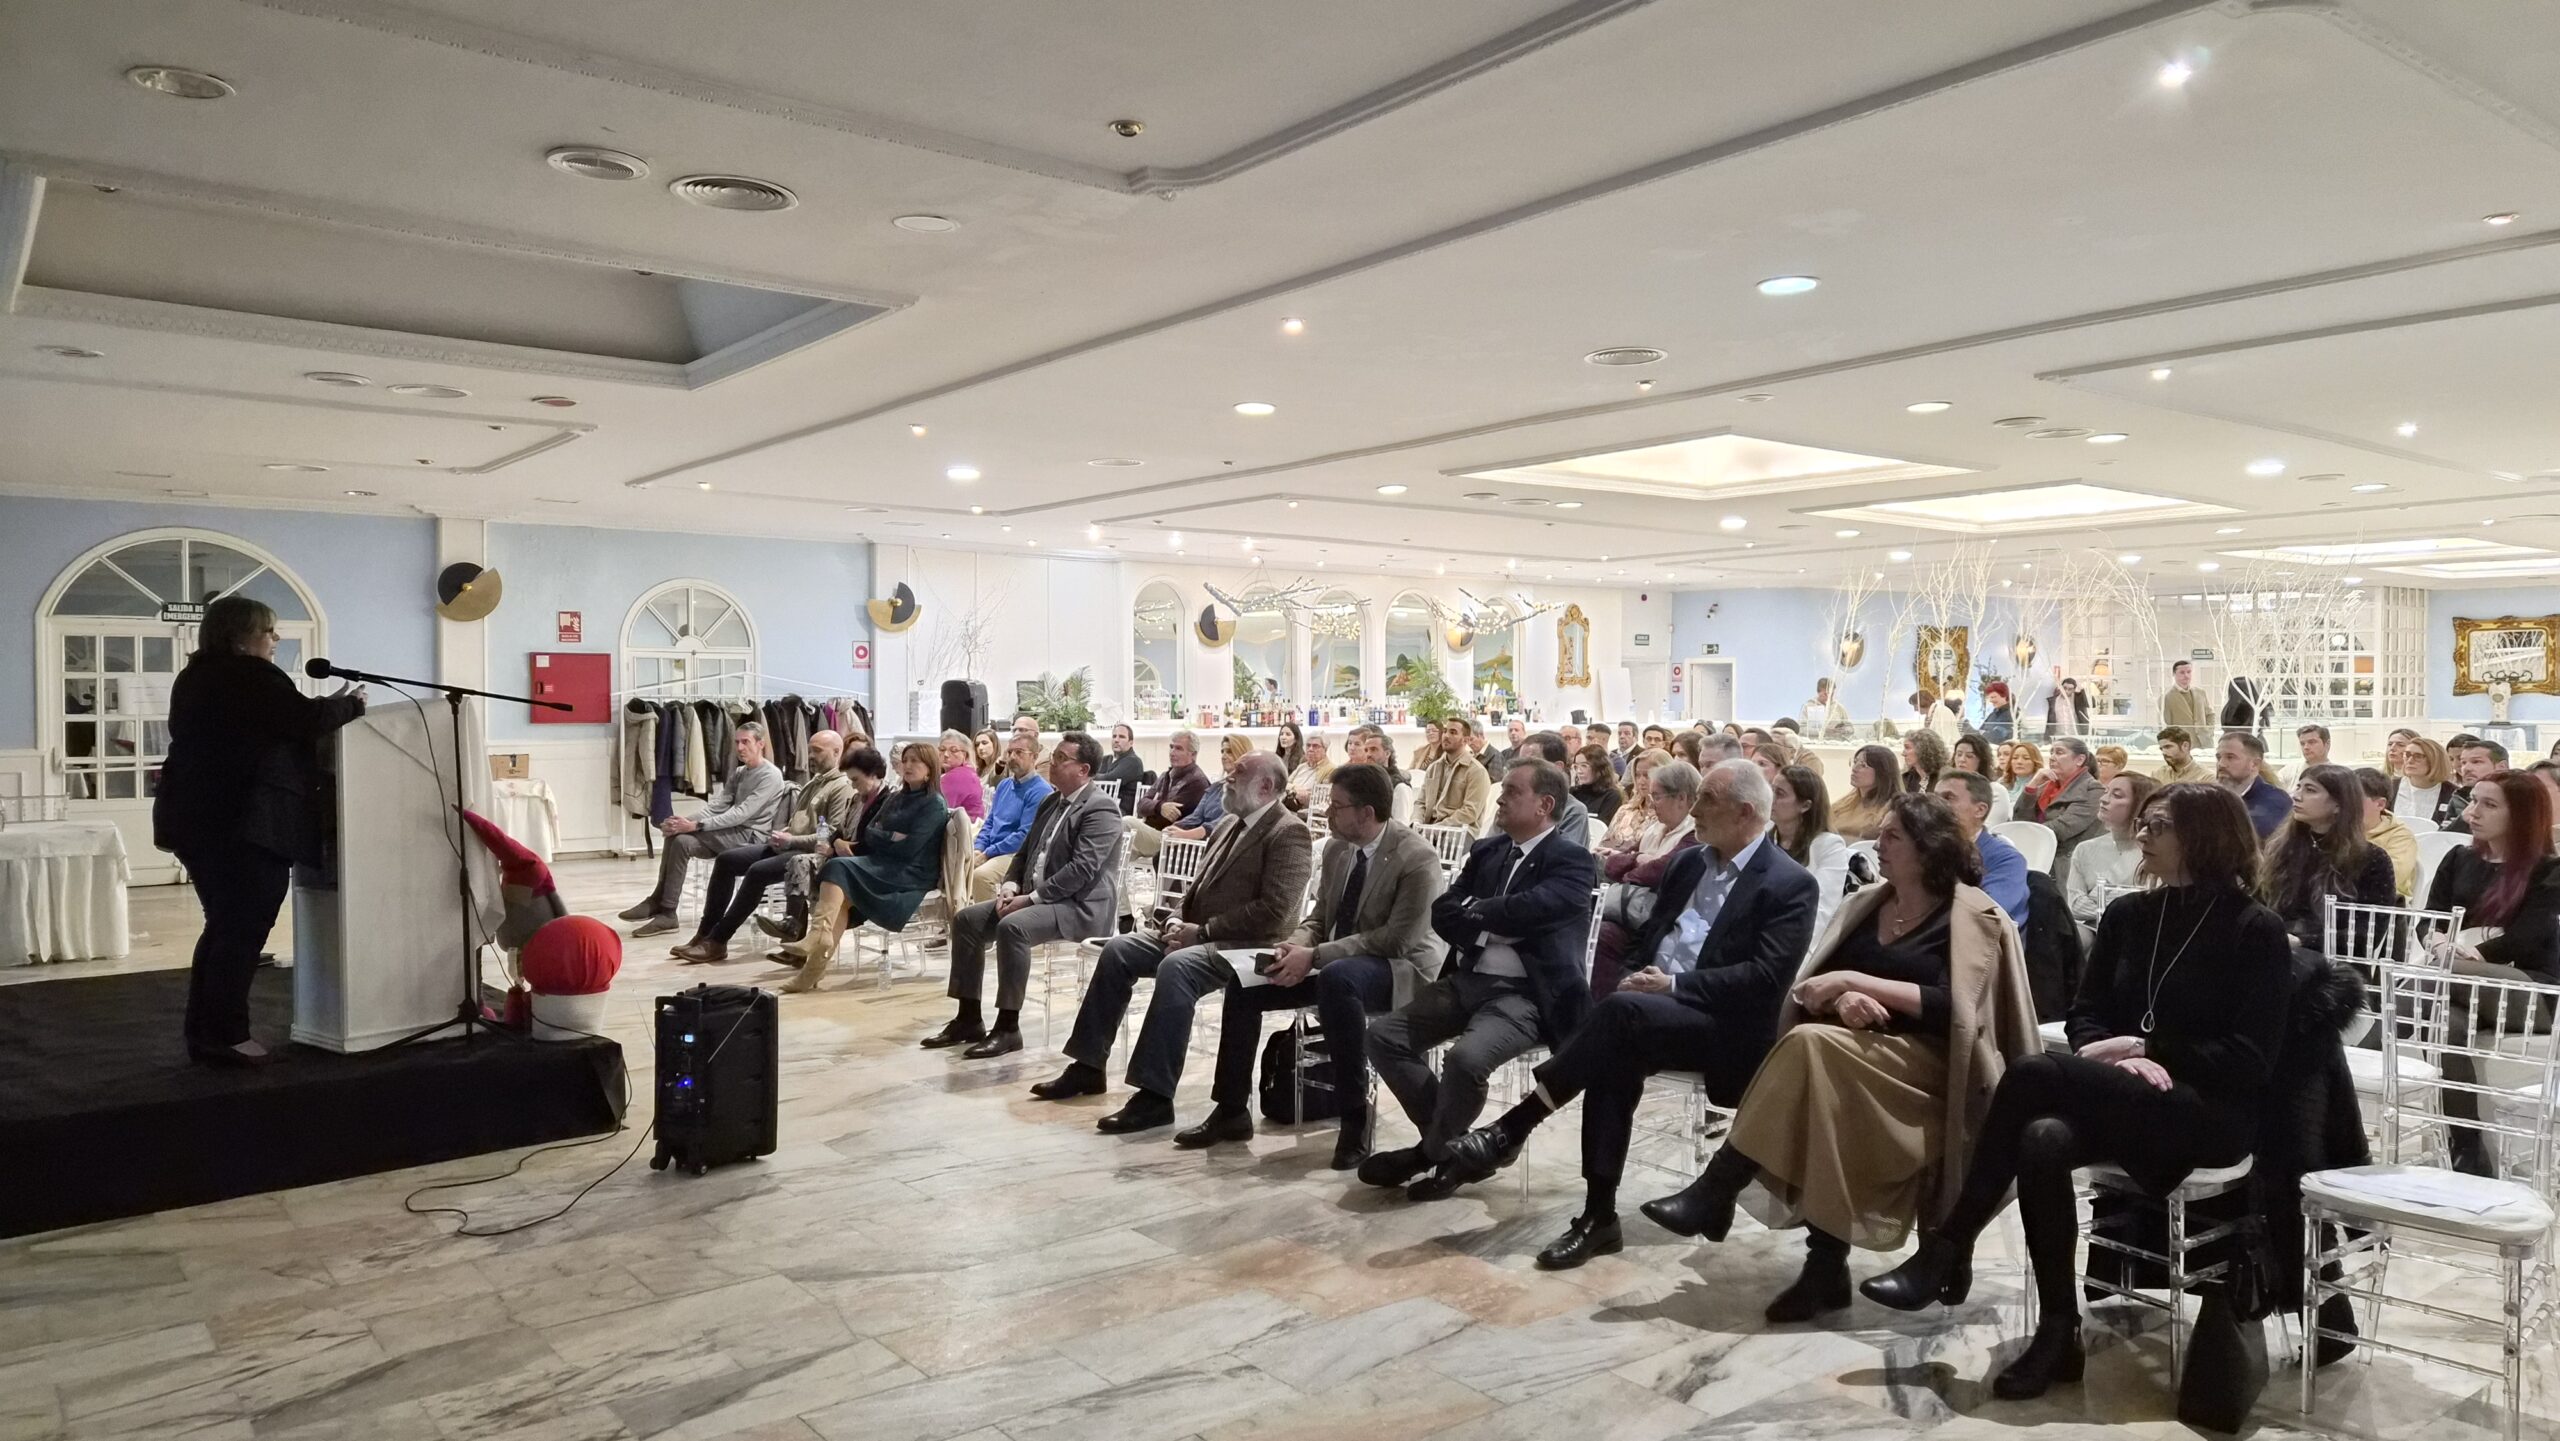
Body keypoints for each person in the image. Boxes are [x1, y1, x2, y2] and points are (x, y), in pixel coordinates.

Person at [1858, 782, 2291, 1400]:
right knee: (2042, 1137)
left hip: (2209, 1110)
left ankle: (1948, 1247)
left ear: (2205, 836)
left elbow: (2251, 1059)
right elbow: (2087, 1016)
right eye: (2143, 822)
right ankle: (2058, 1330)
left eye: (2159, 825)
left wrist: (2147, 1049)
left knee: (2033, 1074)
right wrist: (2114, 1057)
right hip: (2124, 1093)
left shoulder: (2255, 929)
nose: (2142, 834)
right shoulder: (2129, 916)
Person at [1639, 793, 2040, 1321]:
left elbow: (1960, 1009)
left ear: (1929, 848)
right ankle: (1821, 1266)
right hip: (1853, 1053)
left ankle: (1723, 1189)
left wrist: (1857, 981)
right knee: (1821, 1074)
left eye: (1893, 836)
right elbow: (1814, 985)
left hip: (1933, 1071)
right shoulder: (1868, 904)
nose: (1878, 844)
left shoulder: (1972, 917)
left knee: (1811, 1051)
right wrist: (1841, 999)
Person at [1442, 760, 1819, 1269]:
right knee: (1615, 1046)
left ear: (1745, 812)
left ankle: (1517, 1127)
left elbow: (1766, 979)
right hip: (1650, 1009)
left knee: (1619, 1021)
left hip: (1725, 1026)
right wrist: (1635, 974)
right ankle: (1597, 1216)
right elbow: (1649, 938)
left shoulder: (1790, 883)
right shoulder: (1688, 864)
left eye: (1706, 799)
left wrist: (1673, 985)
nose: (1694, 809)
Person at [1179, 763, 1445, 1167]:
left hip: (1400, 969)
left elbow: (1397, 940)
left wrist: (1316, 956)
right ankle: (1231, 1109)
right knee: (1247, 982)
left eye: (1337, 806)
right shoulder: (1338, 849)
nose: (1327, 812)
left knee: (1339, 979)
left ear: (1366, 813)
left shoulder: (1416, 858)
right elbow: (1320, 917)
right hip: (1340, 964)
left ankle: (1354, 1117)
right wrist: (1295, 946)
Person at [1030, 754, 1311, 1132]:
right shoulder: (1229, 822)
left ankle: (1154, 1096)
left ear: (1265, 786)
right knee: (1119, 950)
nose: (1227, 776)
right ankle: (1088, 1066)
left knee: (1177, 968)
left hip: (1249, 945)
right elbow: (1196, 889)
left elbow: (1275, 911)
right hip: (1200, 933)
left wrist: (1203, 932)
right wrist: (1177, 920)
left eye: (1239, 773)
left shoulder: (1288, 832)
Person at [1362, 760, 1599, 1200]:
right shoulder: (1489, 851)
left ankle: (1430, 1153)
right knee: (1383, 1036)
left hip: (1526, 995)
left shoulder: (1572, 859)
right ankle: (1456, 1151)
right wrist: (1493, 923)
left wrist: (1478, 912)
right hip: (1467, 980)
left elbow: (1538, 907)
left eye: (1512, 791)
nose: (1500, 798)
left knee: (1466, 1060)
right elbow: (1443, 912)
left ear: (1545, 805)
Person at [151, 595, 367, 1066]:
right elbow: (304, 720)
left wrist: (323, 708)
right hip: (242, 824)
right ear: (239, 638)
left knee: (223, 927)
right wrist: (352, 705)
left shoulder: (197, 676)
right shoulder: (248, 675)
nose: (275, 638)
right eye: (268, 631)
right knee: (241, 931)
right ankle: (225, 1036)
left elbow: (274, 720)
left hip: (197, 820)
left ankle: (205, 1033)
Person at [926, 731, 1123, 1059]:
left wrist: (1030, 899)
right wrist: (1010, 886)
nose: (1052, 763)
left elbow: (1081, 870)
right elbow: (1024, 852)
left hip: (1080, 907)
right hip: (1039, 898)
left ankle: (1008, 1027)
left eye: (1061, 759)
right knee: (967, 921)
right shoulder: (1051, 801)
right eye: (1053, 756)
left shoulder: (1101, 809)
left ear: (1084, 770)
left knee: (1013, 927)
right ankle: (968, 1018)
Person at [2422, 770, 2560, 1175]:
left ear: (2520, 814)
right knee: (2445, 1024)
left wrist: (2464, 953)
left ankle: (2377, 1032)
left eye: (2489, 804)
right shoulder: (2459, 858)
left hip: (2530, 988)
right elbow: (2429, 919)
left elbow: (2527, 939)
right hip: (2458, 981)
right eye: (2473, 801)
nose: (2472, 812)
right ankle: (2467, 1148)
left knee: (2437, 981)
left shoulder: (2549, 869)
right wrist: (2439, 945)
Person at [772, 741, 952, 993]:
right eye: (905, 760)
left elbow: (909, 848)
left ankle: (817, 939)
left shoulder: (934, 803)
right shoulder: (897, 797)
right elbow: (869, 831)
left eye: (915, 761)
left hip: (910, 873)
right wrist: (891, 836)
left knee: (838, 867)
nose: (907, 765)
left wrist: (884, 836)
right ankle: (812, 968)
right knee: (840, 892)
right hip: (884, 863)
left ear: (930, 768)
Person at [672, 729, 860, 963]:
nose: (811, 756)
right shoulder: (815, 781)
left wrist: (792, 839)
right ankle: (705, 933)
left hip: (810, 853)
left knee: (757, 872)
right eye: (810, 750)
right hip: (789, 845)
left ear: (837, 752)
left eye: (817, 751)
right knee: (727, 860)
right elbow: (799, 820)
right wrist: (785, 833)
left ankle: (718, 940)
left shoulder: (841, 786)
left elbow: (829, 833)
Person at [621, 721, 791, 938]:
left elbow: (741, 813)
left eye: (745, 742)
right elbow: (717, 806)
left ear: (760, 744)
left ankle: (664, 908)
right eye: (737, 742)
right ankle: (664, 907)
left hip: (751, 836)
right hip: (729, 833)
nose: (739, 748)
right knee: (678, 838)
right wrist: (682, 822)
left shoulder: (770, 775)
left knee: (682, 836)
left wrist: (696, 826)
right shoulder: (740, 772)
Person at [1589, 760, 1705, 995]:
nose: (1651, 803)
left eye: (1657, 796)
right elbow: (1615, 863)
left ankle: (1604, 1004)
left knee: (1604, 936)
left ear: (1681, 798)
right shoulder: (1655, 828)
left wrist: (1633, 866)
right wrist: (1639, 860)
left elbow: (1659, 872)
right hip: (1633, 912)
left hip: (1664, 919)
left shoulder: (1695, 834)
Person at [2262, 763, 2397, 950]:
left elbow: (2367, 934)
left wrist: (2302, 942)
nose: (2296, 796)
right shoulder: (2282, 848)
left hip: (2333, 958)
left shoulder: (2372, 859)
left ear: (2338, 805)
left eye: (2310, 790)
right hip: (2277, 949)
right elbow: (2263, 907)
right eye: (2298, 787)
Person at [964, 732, 1054, 902]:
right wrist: (979, 847)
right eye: (1010, 752)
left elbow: (1025, 836)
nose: (1012, 757)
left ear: (1034, 757)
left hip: (1016, 853)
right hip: (994, 848)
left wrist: (988, 853)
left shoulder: (1040, 790)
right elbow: (990, 821)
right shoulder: (1004, 785)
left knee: (981, 876)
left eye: (1019, 752)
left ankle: (989, 918)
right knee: (956, 865)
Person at [2066, 772, 2156, 932]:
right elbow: (2075, 906)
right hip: (2094, 929)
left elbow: (2148, 903)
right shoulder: (2085, 849)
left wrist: (2097, 895)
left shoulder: (2154, 850)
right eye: (2106, 791)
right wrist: (2115, 898)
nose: (2103, 799)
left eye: (2117, 795)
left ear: (2139, 805)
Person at [1936, 771, 2029, 927]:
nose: (1934, 805)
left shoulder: (2007, 859)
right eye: (1934, 797)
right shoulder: (1924, 849)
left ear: (1980, 810)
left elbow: (1985, 914)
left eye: (1948, 798)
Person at [1773, 763, 1851, 939]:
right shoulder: (1762, 837)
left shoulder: (1829, 846)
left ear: (1805, 806)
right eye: (1771, 790)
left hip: (1798, 938)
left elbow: (1820, 910)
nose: (1770, 798)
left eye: (1780, 794)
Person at [2021, 737, 2103, 873]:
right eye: (2051, 752)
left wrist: (2022, 834)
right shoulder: (2045, 785)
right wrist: (2032, 785)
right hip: (2035, 856)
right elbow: (2020, 819)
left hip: (2066, 865)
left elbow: (2063, 829)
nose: (2052, 757)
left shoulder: (2093, 789)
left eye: (2059, 752)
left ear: (2079, 760)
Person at [1415, 714, 1493, 828]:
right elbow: (1420, 802)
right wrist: (1416, 822)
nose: (1446, 736)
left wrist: (1438, 828)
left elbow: (1469, 812)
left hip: (1458, 831)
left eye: (1453, 732)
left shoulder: (1477, 771)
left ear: (1466, 740)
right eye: (1445, 731)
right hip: (1429, 828)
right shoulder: (1433, 768)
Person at [2354, 766, 2418, 900]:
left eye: (2354, 798)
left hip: (2385, 905)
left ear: (2380, 804)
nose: (2346, 804)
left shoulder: (2401, 837)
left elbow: (2390, 879)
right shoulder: (2335, 829)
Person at [2217, 730, 2290, 838]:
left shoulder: (2277, 802)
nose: (2221, 764)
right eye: (2218, 757)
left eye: (2230, 757)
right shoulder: (2209, 798)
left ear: (2254, 764)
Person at [1134, 729, 1209, 832]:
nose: (1172, 753)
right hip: (1156, 831)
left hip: (1171, 836)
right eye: (1171, 747)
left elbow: (1166, 819)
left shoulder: (1197, 782)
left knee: (1126, 823)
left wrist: (1153, 807)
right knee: (1126, 824)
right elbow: (1140, 806)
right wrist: (1160, 807)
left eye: (1178, 748)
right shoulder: (1166, 775)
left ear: (1193, 754)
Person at [1599, 747, 1672, 851]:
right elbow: (1603, 846)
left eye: (1647, 775)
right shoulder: (1624, 811)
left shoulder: (1670, 816)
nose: (1641, 781)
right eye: (1637, 775)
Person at [2440, 737, 2510, 836]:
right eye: (2463, 762)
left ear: (2502, 767)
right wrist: (2462, 820)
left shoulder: (2519, 795)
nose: (2466, 768)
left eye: (2476, 762)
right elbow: (2442, 839)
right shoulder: (2459, 797)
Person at [2387, 735, 2458, 828]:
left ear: (2435, 760)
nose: (2410, 760)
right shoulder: (2388, 787)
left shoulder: (2453, 794)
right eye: (2407, 754)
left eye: (2418, 756)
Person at [1834, 744, 1901, 842]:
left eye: (1863, 765)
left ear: (1881, 773)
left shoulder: (1890, 810)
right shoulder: (1846, 802)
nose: (1854, 769)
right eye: (1855, 762)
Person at [938, 729, 987, 822]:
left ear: (965, 755)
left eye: (954, 750)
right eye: (942, 749)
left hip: (965, 828)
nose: (946, 754)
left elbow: (939, 811)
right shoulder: (968, 771)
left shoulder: (957, 776)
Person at [1096, 722, 1146, 815]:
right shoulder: (1105, 759)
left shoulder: (1133, 762)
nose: (1116, 740)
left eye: (1122, 737)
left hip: (1120, 811)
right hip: (1102, 806)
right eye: (1114, 736)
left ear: (1131, 743)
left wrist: (1087, 776)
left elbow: (1109, 780)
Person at [1570, 743, 1624, 826]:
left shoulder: (1612, 795)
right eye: (1576, 766)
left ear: (1599, 767)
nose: (1579, 771)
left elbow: (1601, 826)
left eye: (1584, 766)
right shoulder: (1573, 793)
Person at [1285, 731, 1336, 816]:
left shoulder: (1331, 770)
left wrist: (1298, 794)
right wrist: (1295, 788)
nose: (1310, 749)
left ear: (1325, 749)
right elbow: (1284, 784)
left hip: (1307, 814)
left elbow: (1321, 800)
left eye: (1315, 746)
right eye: (1308, 745)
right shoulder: (1302, 767)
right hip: (1289, 809)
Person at [2161, 659, 2211, 730]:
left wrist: (2209, 732)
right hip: (2180, 736)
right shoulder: (2166, 698)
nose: (2186, 675)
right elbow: (2166, 725)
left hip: (2203, 737)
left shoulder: (2201, 693)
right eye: (2182, 672)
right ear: (2174, 674)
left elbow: (2210, 715)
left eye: (2189, 672)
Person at [2003, 740, 2044, 815]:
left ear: (2035, 762)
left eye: (2026, 758)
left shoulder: (2043, 786)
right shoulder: (2002, 782)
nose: (2019, 762)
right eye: (2015, 758)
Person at [1902, 730, 1949, 795]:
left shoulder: (1945, 778)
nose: (1903, 753)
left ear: (1922, 749)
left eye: (1907, 748)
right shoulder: (1907, 779)